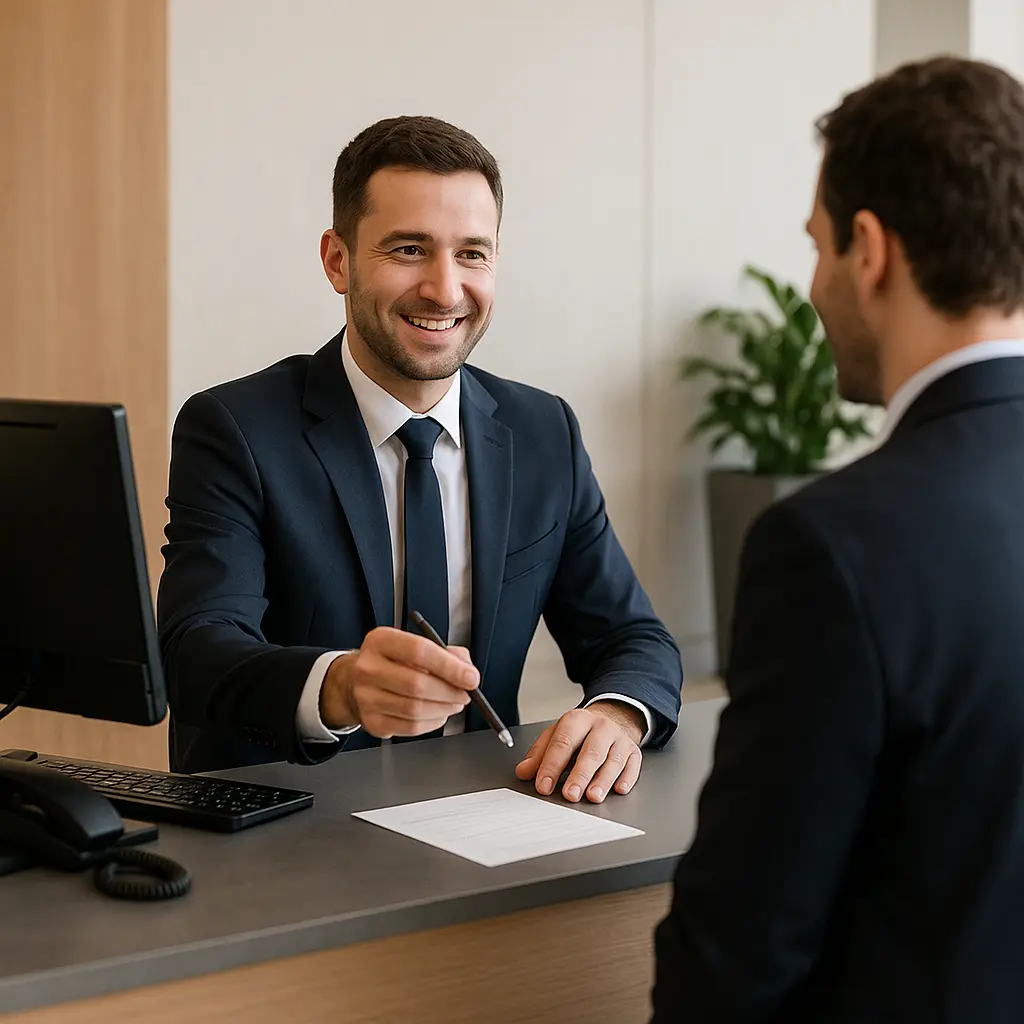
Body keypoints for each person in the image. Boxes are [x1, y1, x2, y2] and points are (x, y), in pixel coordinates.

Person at [158, 115, 682, 802]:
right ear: (337, 260)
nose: (444, 289)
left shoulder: (542, 430)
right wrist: (339, 687)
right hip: (287, 833)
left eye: (472, 253)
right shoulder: (234, 429)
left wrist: (617, 713)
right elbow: (197, 650)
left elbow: (632, 637)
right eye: (409, 249)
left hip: (485, 818)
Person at [652, 56, 1024, 1022]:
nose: (811, 284)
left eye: (817, 245)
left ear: (871, 248)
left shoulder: (830, 548)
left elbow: (741, 949)